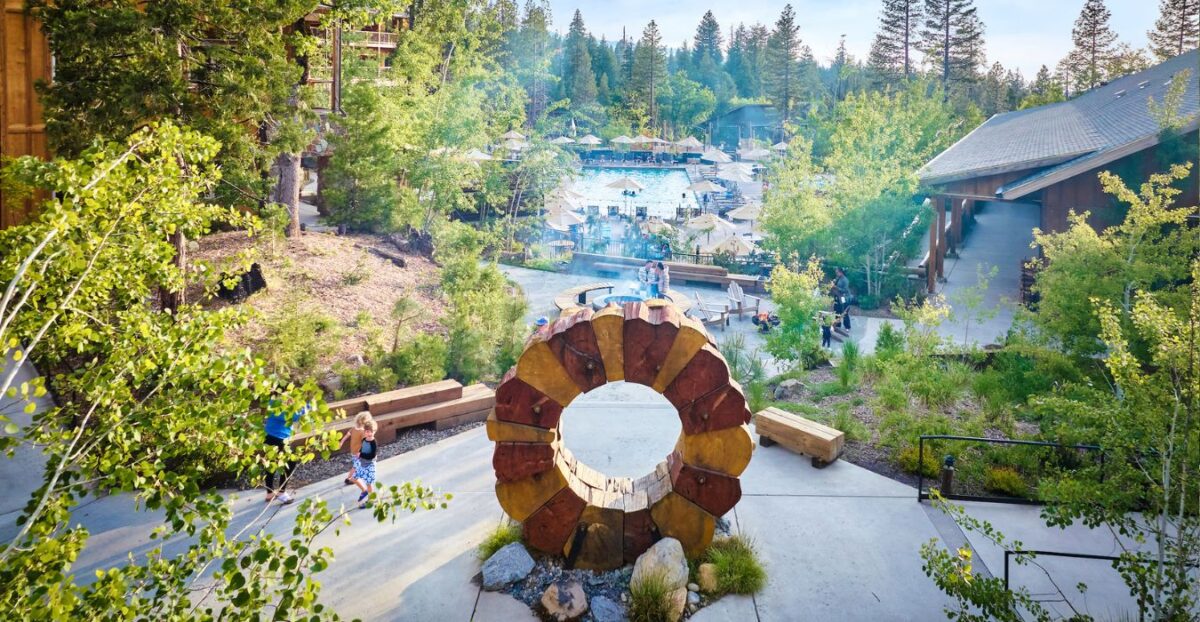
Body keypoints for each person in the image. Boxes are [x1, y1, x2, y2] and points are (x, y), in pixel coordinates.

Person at [263, 398, 313, 504]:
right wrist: (308, 405)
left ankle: (269, 493)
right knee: (290, 463)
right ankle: (281, 492)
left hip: (270, 436)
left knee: (271, 465)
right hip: (279, 438)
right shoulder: (277, 404)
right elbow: (294, 416)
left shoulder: (273, 401)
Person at [340, 411, 374, 486]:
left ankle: (349, 478)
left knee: (356, 465)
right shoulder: (362, 432)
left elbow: (346, 436)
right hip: (358, 453)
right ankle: (350, 478)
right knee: (357, 466)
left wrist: (341, 442)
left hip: (353, 452)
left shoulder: (353, 429)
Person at [353, 418, 380, 508]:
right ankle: (364, 491)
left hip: (369, 465)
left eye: (369, 431)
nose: (367, 433)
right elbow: (362, 448)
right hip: (362, 463)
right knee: (354, 478)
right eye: (366, 431)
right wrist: (359, 453)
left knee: (369, 483)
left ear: (374, 431)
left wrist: (361, 455)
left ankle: (371, 500)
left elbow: (372, 455)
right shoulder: (364, 440)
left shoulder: (373, 443)